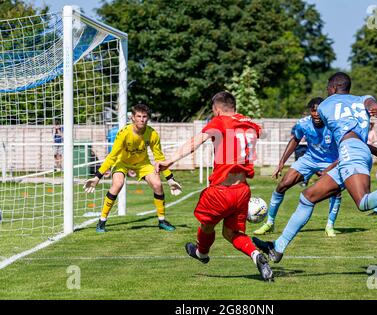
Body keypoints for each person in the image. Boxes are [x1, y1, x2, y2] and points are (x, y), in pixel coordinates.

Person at [253, 72, 377, 263]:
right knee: (307, 197)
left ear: (334, 87)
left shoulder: (326, 105)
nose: (327, 90)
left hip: (350, 152)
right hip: (353, 152)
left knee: (363, 202)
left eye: (328, 87)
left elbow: (335, 131)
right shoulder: (363, 99)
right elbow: (373, 107)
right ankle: (278, 247)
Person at [156, 91, 274, 281]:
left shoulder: (220, 122)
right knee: (231, 233)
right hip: (242, 190)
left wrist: (169, 161)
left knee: (207, 226)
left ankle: (201, 254)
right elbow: (255, 131)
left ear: (218, 109)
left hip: (221, 190)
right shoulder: (250, 124)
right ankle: (256, 255)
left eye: (213, 111)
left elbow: (195, 142)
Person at [83, 103, 182, 232]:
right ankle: (102, 221)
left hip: (143, 164)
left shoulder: (152, 134)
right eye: (139, 116)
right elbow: (112, 156)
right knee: (118, 184)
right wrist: (97, 177)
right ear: (133, 118)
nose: (142, 119)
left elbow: (159, 158)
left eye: (144, 116)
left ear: (148, 118)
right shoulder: (124, 133)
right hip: (122, 162)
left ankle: (162, 221)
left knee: (158, 184)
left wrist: (170, 179)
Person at [253, 97, 342, 237]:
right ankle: (269, 223)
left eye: (319, 111)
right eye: (314, 111)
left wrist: (330, 168)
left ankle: (330, 226)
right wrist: (281, 162)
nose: (317, 114)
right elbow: (295, 140)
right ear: (310, 112)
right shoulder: (303, 124)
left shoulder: (334, 125)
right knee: (283, 185)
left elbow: (344, 148)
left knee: (335, 191)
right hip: (309, 159)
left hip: (331, 161)